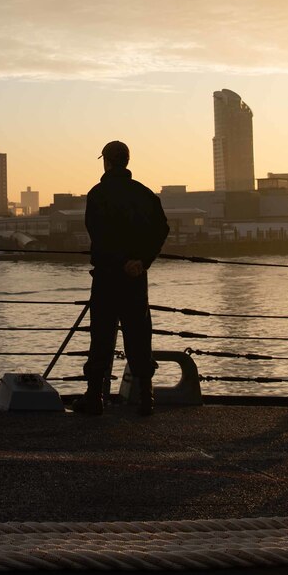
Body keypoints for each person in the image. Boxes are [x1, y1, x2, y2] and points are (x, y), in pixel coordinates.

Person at [69, 140, 169, 417]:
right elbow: (161, 229)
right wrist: (142, 260)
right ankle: (146, 397)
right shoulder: (144, 194)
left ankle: (94, 397)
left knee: (101, 335)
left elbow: (98, 235)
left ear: (107, 161)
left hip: (107, 277)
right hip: (136, 278)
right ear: (127, 160)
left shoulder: (98, 194)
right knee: (139, 334)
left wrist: (120, 261)